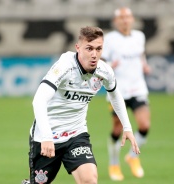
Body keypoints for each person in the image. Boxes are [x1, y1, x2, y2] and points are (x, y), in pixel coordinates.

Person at [21, 26, 140, 184]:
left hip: (76, 135)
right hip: (47, 136)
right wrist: (46, 137)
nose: (94, 54)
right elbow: (39, 100)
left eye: (98, 49)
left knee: (89, 180)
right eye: (89, 48)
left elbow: (116, 95)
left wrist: (127, 127)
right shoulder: (64, 67)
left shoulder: (104, 71)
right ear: (78, 48)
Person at [101, 7, 151, 181]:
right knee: (117, 128)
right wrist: (109, 67)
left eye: (127, 17)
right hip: (117, 91)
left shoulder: (139, 36)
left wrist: (144, 65)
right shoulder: (109, 39)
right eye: (121, 17)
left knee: (144, 125)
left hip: (138, 88)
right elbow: (102, 59)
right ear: (116, 21)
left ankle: (132, 156)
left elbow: (140, 54)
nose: (125, 20)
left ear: (132, 19)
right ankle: (114, 163)